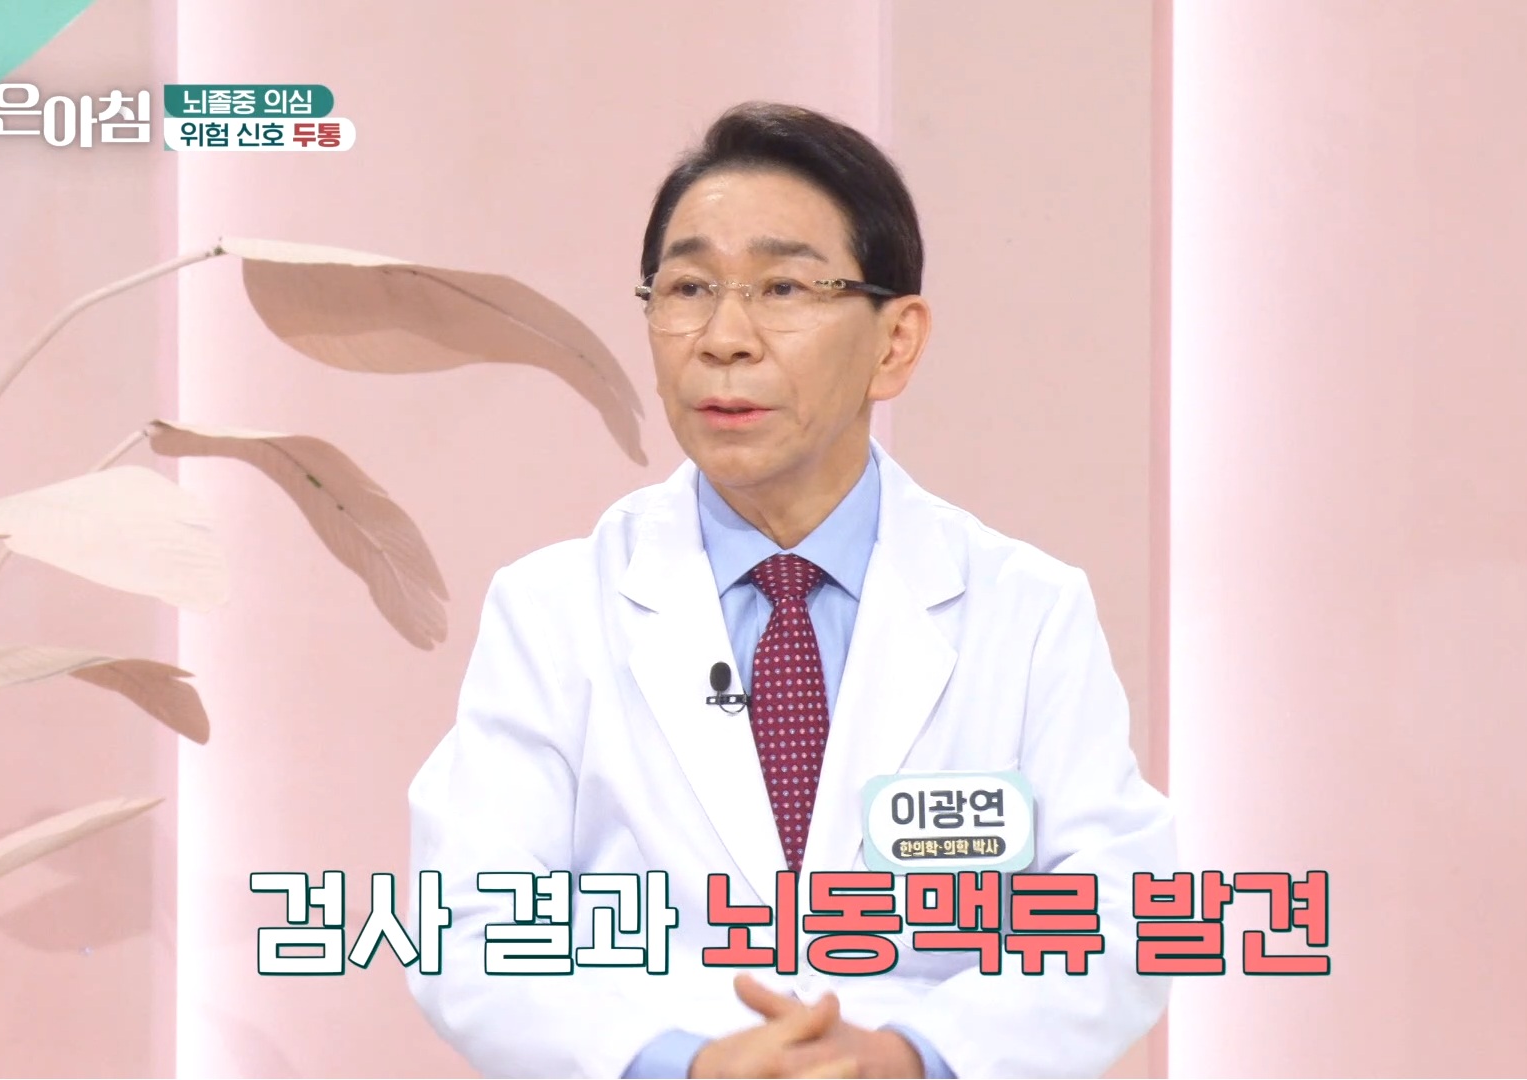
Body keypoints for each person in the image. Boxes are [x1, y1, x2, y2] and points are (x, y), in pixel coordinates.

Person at [407, 101, 1175, 1079]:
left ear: (895, 343)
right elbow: (469, 923)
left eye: (782, 287)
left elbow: (1121, 911)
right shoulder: (552, 610)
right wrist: (684, 1064)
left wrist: (909, 1056)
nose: (724, 337)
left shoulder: (1026, 610)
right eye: (688, 288)